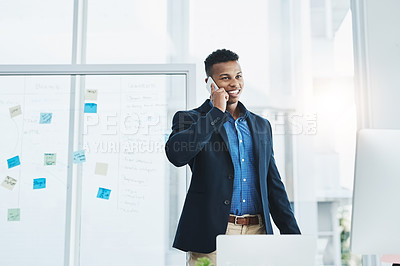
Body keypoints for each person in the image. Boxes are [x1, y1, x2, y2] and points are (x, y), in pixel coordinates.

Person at [165, 49, 301, 265]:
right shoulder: (190, 119)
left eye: (238, 76)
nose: (234, 83)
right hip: (212, 236)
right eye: (225, 78)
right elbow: (176, 155)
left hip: (258, 233)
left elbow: (273, 183)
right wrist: (216, 113)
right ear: (210, 82)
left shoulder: (260, 126)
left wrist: (293, 238)